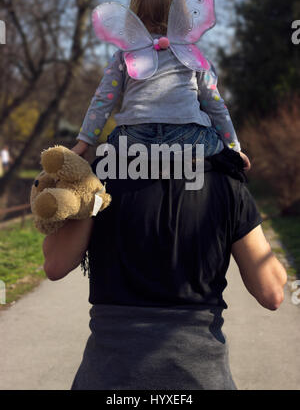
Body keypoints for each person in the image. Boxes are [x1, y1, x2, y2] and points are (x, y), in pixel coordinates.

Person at [42, 151, 287, 390]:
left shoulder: (100, 179)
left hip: (109, 376)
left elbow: (55, 264)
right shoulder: (226, 183)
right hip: (200, 378)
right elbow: (271, 293)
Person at [71, 0, 251, 171]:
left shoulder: (124, 55)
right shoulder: (193, 56)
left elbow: (103, 99)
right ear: (181, 11)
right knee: (215, 145)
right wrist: (233, 147)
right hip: (188, 139)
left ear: (135, 11)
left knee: (112, 144)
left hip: (133, 139)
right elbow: (213, 102)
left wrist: (85, 141)